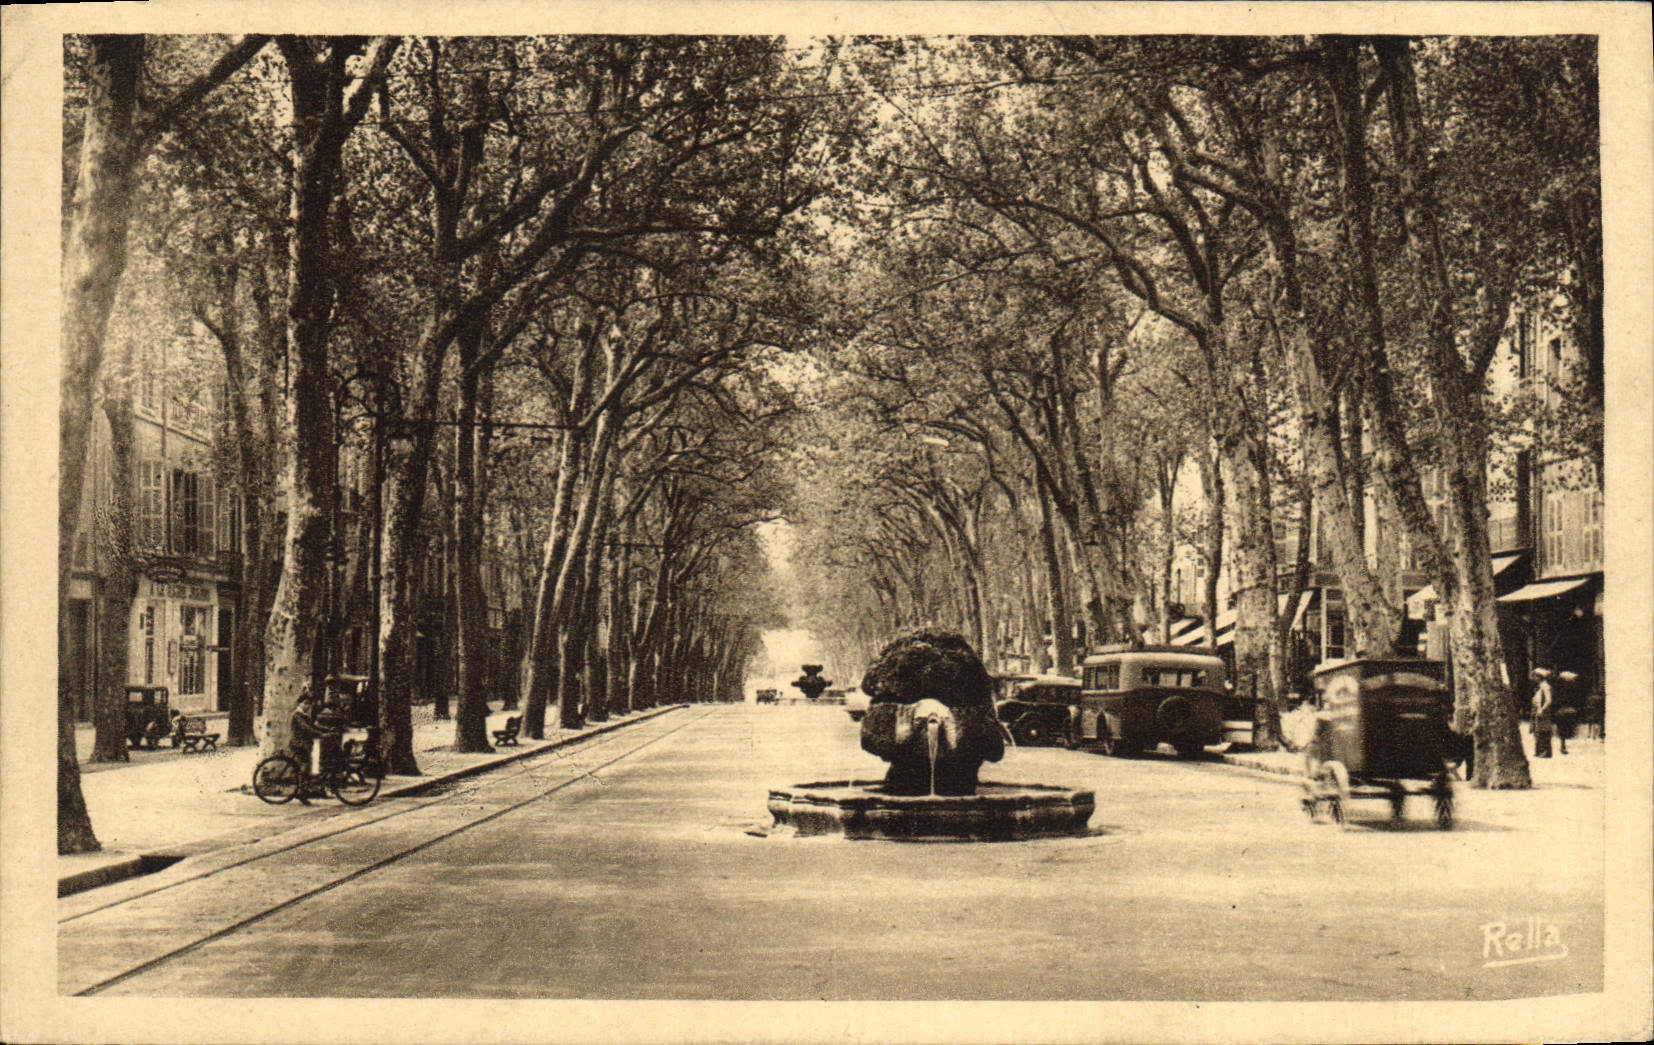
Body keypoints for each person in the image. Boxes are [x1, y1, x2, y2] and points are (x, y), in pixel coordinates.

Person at [290, 688, 343, 779]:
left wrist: (328, 729)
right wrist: (321, 734)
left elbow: (314, 726)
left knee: (309, 763)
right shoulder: (297, 715)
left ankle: (304, 784)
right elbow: (307, 728)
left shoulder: (304, 715)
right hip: (299, 743)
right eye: (305, 703)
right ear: (299, 703)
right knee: (305, 764)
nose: (307, 706)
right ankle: (302, 786)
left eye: (309, 704)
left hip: (305, 743)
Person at [1529, 668, 1554, 758]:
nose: (1534, 678)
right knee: (1537, 730)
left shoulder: (1545, 686)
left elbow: (1548, 700)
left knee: (1544, 730)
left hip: (1543, 711)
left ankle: (1545, 751)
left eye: (1536, 676)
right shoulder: (1539, 687)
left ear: (1540, 677)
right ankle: (1539, 750)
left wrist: (1542, 709)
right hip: (1538, 710)